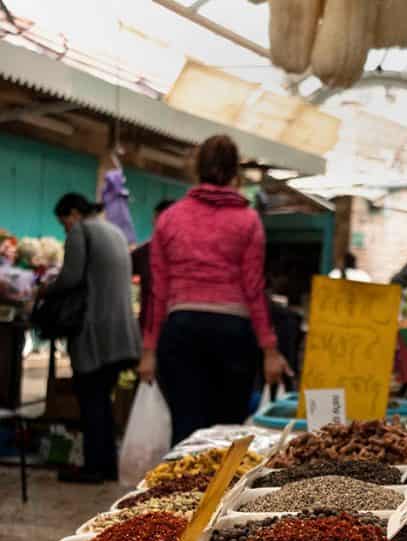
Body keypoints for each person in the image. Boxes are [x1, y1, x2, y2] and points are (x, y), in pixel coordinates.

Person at [139, 134, 289, 444]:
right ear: (235, 171)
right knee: (227, 436)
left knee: (186, 432)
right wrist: (269, 350)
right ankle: (223, 492)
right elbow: (254, 288)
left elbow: (158, 290)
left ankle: (187, 491)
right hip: (233, 335)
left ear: (197, 168)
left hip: (181, 332)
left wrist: (149, 350)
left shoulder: (169, 219)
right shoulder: (248, 221)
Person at [47, 193, 140, 483]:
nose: (66, 229)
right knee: (102, 400)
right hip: (122, 334)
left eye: (64, 223)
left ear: (74, 213)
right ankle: (107, 465)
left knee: (91, 401)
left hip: (94, 333)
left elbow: (71, 277)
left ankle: (94, 468)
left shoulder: (81, 231)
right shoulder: (114, 231)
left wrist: (45, 290)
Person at [131, 199, 175, 336]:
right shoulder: (144, 252)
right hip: (147, 329)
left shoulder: (188, 254)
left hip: (175, 330)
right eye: (156, 219)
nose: (155, 223)